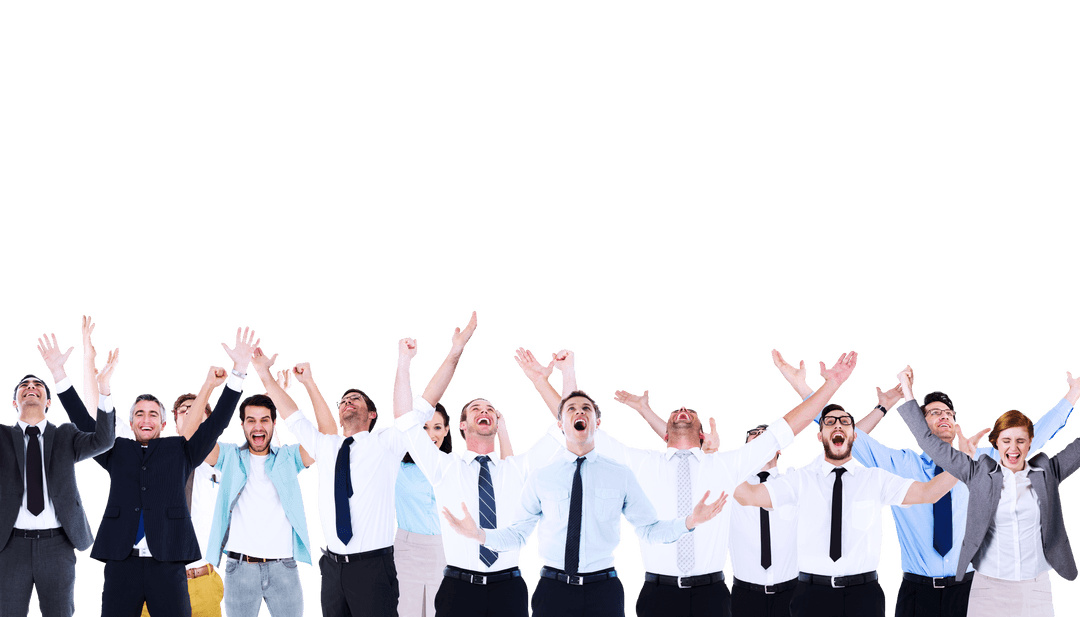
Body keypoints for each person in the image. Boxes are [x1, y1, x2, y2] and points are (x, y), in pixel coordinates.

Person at [517, 348, 861, 617]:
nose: (682, 409)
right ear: (665, 432)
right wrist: (560, 376)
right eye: (676, 410)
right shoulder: (638, 463)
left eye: (690, 411)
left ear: (701, 433)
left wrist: (832, 385)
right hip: (657, 594)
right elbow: (578, 422)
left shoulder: (726, 465)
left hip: (711, 596)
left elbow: (784, 430)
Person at [772, 349, 1078, 617]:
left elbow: (1035, 436)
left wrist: (1072, 395)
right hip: (916, 591)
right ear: (920, 422)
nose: (943, 417)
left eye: (948, 413)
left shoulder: (984, 460)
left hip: (971, 587)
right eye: (933, 413)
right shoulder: (901, 464)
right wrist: (802, 387)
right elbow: (842, 432)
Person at [442, 387, 728, 617]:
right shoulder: (541, 477)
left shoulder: (620, 474)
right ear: (561, 423)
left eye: (586, 409)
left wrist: (690, 522)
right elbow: (516, 535)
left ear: (597, 422)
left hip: (604, 591)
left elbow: (651, 530)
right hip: (553, 590)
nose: (579, 413)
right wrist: (478, 535)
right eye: (571, 409)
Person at [277, 311, 479, 617]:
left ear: (372, 414)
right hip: (332, 569)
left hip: (373, 567)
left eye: (356, 398)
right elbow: (291, 415)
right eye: (343, 400)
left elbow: (428, 400)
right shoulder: (325, 445)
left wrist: (454, 351)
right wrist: (263, 373)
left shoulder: (387, 442)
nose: (347, 401)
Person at [65, 326, 255, 617]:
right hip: (122, 563)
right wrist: (61, 375)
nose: (146, 419)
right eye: (139, 413)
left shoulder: (180, 451)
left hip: (168, 563)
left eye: (153, 413)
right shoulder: (118, 450)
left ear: (163, 424)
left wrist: (239, 370)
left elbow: (216, 423)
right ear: (129, 422)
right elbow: (84, 421)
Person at [392, 332, 563, 617]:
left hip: (509, 588)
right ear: (461, 424)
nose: (484, 411)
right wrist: (405, 361)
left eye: (490, 410)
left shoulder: (518, 469)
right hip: (458, 588)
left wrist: (539, 381)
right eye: (476, 409)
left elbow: (566, 429)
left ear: (496, 422)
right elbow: (405, 423)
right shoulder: (444, 467)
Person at [734, 403, 958, 617]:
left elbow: (928, 493)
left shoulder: (875, 479)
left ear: (855, 435)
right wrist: (718, 460)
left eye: (845, 421)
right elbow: (749, 496)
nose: (838, 425)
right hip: (811, 595)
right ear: (820, 436)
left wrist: (964, 462)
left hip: (864, 595)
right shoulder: (800, 480)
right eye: (830, 422)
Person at [894, 365, 1080, 617]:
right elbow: (927, 441)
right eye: (1006, 441)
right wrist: (906, 390)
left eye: (1020, 441)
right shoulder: (978, 468)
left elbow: (1058, 439)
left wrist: (1074, 394)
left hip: (1032, 587)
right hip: (984, 587)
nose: (1013, 448)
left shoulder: (1045, 471)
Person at [0, 325, 116, 617]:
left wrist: (103, 389)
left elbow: (104, 440)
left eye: (37, 386)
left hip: (58, 545)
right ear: (14, 402)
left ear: (48, 402)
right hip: (10, 544)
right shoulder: (1, 436)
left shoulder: (65, 435)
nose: (31, 388)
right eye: (24, 387)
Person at [206, 345, 316, 617]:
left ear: (274, 423)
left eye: (265, 420)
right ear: (241, 425)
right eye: (251, 420)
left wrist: (303, 383)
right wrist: (211, 386)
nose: (258, 426)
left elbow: (324, 438)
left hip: (285, 567)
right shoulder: (228, 455)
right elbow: (193, 438)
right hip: (239, 569)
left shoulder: (288, 458)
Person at [727, 424, 799, 617]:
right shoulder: (732, 486)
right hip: (745, 597)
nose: (759, 436)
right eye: (753, 434)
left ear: (777, 448)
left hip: (791, 594)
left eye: (765, 435)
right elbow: (700, 460)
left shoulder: (793, 482)